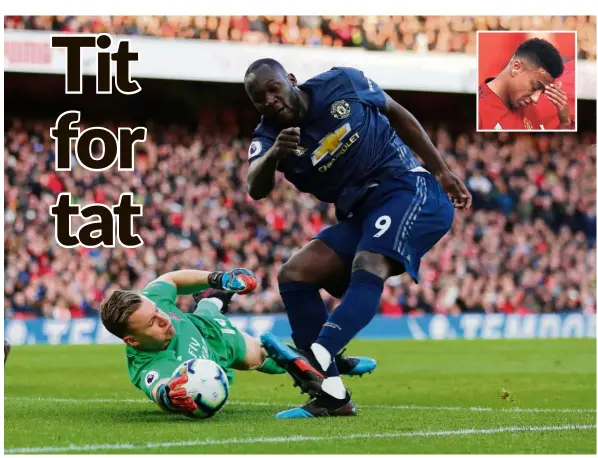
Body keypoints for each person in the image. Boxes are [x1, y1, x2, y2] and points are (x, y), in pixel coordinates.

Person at [244, 58, 471, 418]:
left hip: (406, 188)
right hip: (360, 214)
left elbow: (396, 112)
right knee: (294, 274)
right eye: (259, 99)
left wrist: (441, 170)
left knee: (370, 262)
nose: (269, 101)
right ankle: (332, 396)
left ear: (289, 79)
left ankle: (320, 353)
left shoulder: (342, 82)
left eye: (273, 89)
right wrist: (275, 155)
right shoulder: (269, 137)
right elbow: (255, 185)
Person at [100, 268, 372, 416]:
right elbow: (158, 387)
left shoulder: (152, 301)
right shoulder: (149, 365)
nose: (162, 319)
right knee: (264, 356)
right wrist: (170, 397)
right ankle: (328, 363)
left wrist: (217, 276)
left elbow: (170, 278)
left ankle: (216, 292)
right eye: (152, 323)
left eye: (158, 311)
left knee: (209, 309)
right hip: (221, 349)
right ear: (132, 340)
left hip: (202, 324)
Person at [478, 38, 568, 131]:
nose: (535, 99)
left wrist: (565, 124)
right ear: (516, 67)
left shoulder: (531, 111)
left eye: (542, 92)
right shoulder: (479, 111)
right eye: (534, 87)